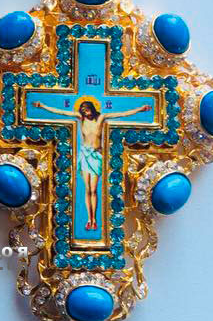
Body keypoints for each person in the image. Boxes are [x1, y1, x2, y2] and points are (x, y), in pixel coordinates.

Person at [32, 98, 150, 231]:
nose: (85, 112)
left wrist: (140, 109)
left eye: (86, 109)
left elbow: (121, 114)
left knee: (93, 190)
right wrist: (42, 105)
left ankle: (95, 219)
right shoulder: (81, 118)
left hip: (96, 157)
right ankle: (90, 219)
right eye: (83, 110)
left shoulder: (101, 118)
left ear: (92, 108)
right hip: (84, 156)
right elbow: (61, 112)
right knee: (87, 189)